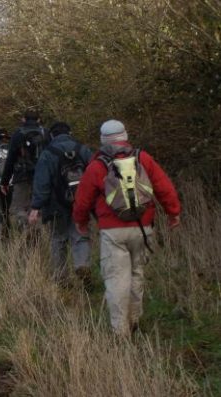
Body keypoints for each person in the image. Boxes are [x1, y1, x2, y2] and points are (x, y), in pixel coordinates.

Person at [73, 119, 181, 337]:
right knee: (136, 273)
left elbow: (83, 200)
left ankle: (120, 331)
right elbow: (163, 187)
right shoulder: (142, 158)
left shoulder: (97, 165)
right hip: (143, 228)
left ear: (103, 140)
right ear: (125, 136)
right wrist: (173, 213)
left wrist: (81, 222)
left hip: (113, 231)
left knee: (116, 279)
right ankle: (134, 319)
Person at [28, 122, 92, 286]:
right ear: (69, 132)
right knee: (80, 235)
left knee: (58, 239)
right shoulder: (82, 149)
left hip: (56, 204)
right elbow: (94, 174)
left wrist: (36, 206)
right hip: (81, 202)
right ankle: (82, 265)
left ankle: (61, 278)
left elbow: (42, 182)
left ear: (51, 135)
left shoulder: (48, 153)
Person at [0, 108, 50, 230]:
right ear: (39, 119)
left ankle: (24, 232)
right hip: (42, 178)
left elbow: (10, 159)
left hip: (21, 177)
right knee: (38, 208)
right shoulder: (46, 133)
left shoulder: (18, 134)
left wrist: (4, 182)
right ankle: (36, 235)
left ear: (23, 119)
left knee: (20, 209)